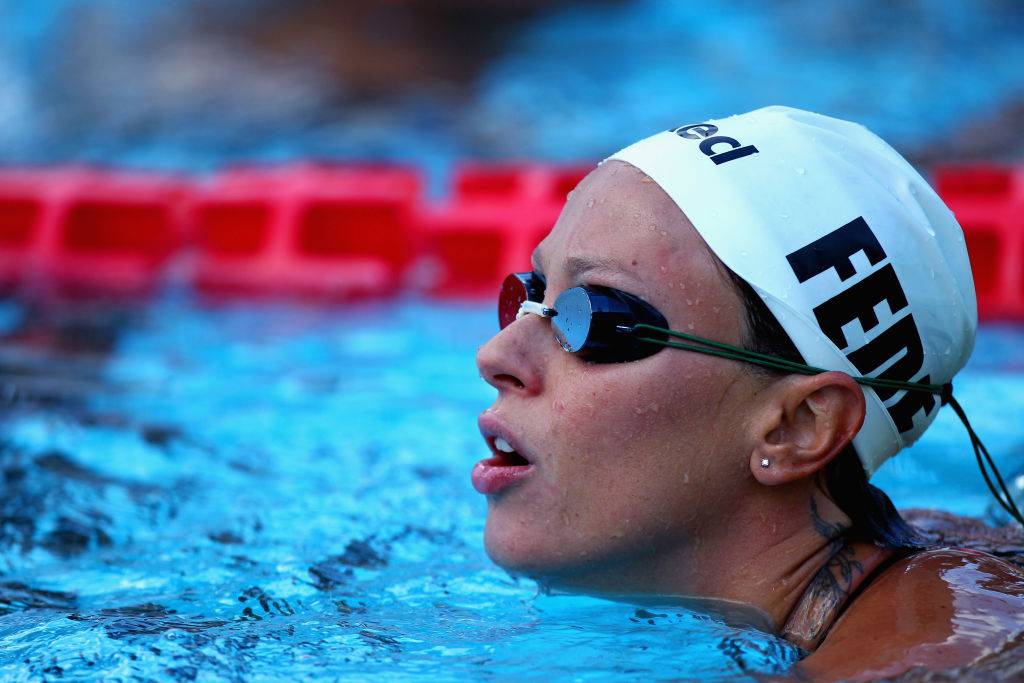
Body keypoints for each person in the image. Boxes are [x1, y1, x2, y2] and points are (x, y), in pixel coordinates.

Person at [471, 106, 1024, 680]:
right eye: (533, 292)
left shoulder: (942, 652)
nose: (496, 356)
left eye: (600, 316)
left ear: (796, 428)